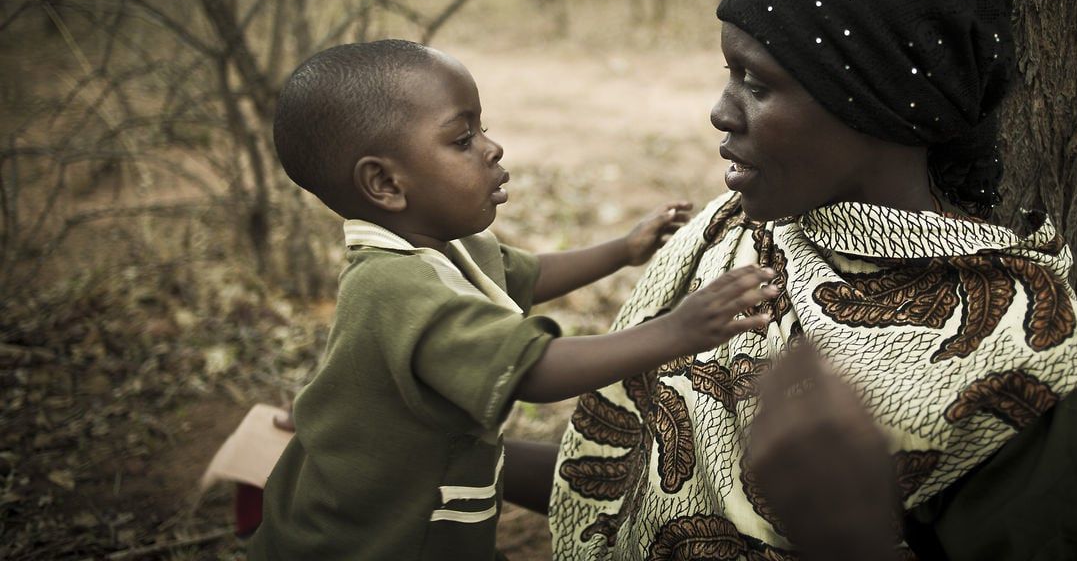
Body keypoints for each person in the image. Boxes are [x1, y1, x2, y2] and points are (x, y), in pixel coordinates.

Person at [533, 0, 1077, 560]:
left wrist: (846, 536)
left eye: (756, 82)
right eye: (729, 74)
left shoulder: (1022, 352)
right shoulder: (735, 229)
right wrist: (457, 452)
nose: (721, 111)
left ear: (873, 100)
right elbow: (639, 457)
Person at [249, 39, 779, 561]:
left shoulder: (444, 245)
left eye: (483, 128)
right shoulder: (394, 287)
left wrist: (622, 250)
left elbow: (526, 275)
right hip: (372, 540)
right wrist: (674, 332)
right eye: (461, 139)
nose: (491, 147)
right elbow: (531, 371)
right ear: (385, 182)